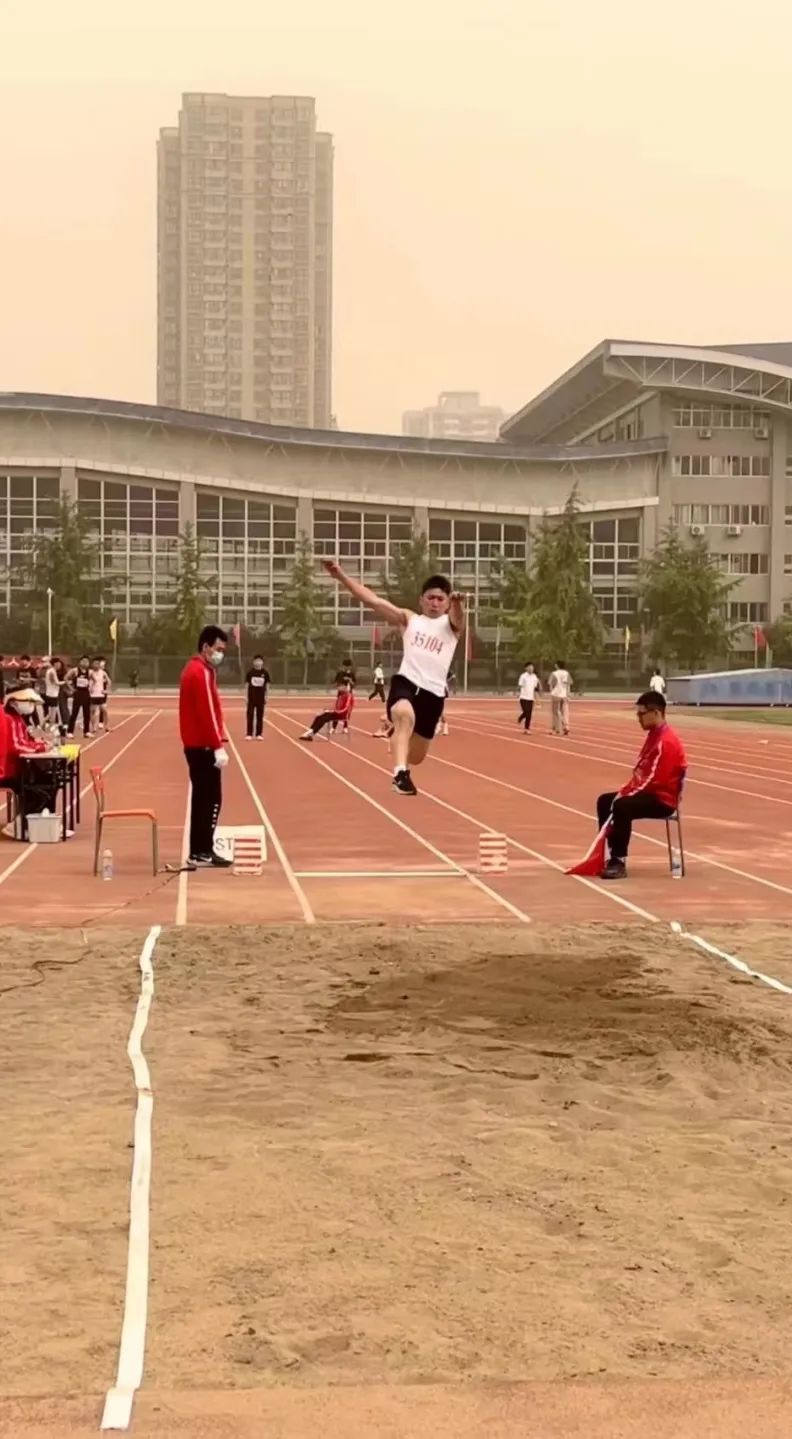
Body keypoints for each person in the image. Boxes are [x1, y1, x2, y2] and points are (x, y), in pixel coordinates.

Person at [323, 560, 463, 796]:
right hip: (406, 682)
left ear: (447, 603)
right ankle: (400, 775)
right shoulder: (409, 619)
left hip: (433, 694)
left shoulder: (451, 626)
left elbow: (458, 619)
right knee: (404, 715)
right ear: (421, 600)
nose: (435, 603)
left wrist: (458, 604)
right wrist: (341, 577)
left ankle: (398, 741)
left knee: (416, 756)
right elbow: (373, 601)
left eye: (441, 599)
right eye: (430, 598)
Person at [594, 691, 686, 881]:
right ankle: (607, 854)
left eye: (641, 713)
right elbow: (641, 771)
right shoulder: (654, 735)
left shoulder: (666, 742)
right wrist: (625, 790)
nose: (638, 718)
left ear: (656, 712)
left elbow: (654, 779)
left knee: (622, 806)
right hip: (648, 791)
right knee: (605, 801)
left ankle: (618, 861)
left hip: (662, 798)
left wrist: (626, 794)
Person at [178, 625, 233, 868]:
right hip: (202, 746)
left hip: (197, 744)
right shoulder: (199, 672)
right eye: (218, 649)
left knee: (203, 798)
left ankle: (200, 850)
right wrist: (216, 745)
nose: (220, 654)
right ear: (205, 647)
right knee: (211, 798)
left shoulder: (198, 669)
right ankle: (203, 849)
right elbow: (207, 712)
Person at [0, 688, 58, 819]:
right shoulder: (8, 718)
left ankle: (41, 819)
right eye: (27, 701)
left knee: (48, 779)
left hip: (17, 768)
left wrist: (40, 745)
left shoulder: (17, 718)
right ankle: (27, 822)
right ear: (13, 702)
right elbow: (15, 747)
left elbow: (24, 742)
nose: (30, 704)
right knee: (39, 787)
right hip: (9, 771)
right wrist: (40, 748)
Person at [245, 654, 271, 740]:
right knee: (250, 715)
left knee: (260, 716)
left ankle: (259, 734)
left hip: (261, 698)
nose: (258, 662)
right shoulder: (250, 673)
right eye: (256, 661)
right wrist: (246, 697)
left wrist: (266, 696)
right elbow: (247, 685)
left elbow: (267, 685)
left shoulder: (265, 673)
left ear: (262, 662)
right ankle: (249, 734)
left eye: (260, 661)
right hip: (251, 697)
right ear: (253, 662)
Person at [67, 656, 93, 737]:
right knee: (74, 713)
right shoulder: (75, 670)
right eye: (83, 661)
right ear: (80, 662)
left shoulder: (90, 672)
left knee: (87, 713)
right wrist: (71, 688)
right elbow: (66, 678)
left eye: (87, 661)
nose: (85, 663)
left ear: (88, 663)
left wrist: (91, 687)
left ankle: (86, 732)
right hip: (77, 692)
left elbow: (95, 680)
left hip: (86, 693)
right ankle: (70, 732)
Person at [548, 661, 572, 736]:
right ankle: (566, 726)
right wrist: (568, 695)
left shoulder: (554, 673)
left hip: (556, 694)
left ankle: (556, 729)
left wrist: (551, 692)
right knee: (564, 712)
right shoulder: (567, 673)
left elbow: (551, 684)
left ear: (557, 665)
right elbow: (568, 685)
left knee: (555, 712)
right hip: (564, 695)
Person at [517, 662, 540, 731]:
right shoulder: (523, 676)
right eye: (529, 667)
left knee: (529, 714)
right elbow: (520, 685)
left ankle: (527, 728)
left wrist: (537, 699)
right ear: (526, 668)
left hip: (531, 698)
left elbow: (535, 688)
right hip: (523, 697)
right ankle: (521, 717)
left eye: (532, 667)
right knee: (526, 711)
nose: (531, 668)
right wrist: (518, 694)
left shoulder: (534, 677)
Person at [89, 657, 111, 731]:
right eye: (94, 664)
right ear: (92, 665)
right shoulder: (90, 672)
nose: (95, 665)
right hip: (92, 695)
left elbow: (109, 681)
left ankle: (106, 726)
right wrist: (89, 688)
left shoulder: (103, 672)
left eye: (97, 664)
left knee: (105, 710)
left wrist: (106, 690)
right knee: (92, 711)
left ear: (99, 665)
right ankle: (93, 727)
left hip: (100, 694)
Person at [42, 657, 62, 724]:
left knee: (51, 713)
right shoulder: (52, 671)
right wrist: (66, 682)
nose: (60, 665)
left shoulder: (49, 671)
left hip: (50, 693)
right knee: (53, 713)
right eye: (59, 664)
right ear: (55, 664)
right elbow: (56, 683)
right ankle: (49, 726)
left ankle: (43, 724)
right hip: (53, 694)